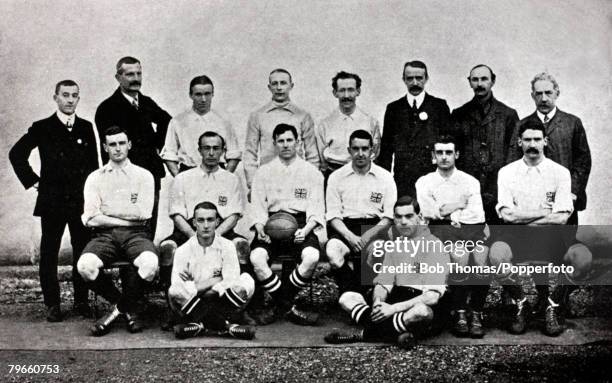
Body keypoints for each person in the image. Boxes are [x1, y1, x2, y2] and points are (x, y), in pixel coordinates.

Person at [490, 120, 591, 336]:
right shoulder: (507, 172)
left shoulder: (560, 173)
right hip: (518, 237)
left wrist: (523, 217)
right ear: (519, 142)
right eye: (527, 139)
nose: (532, 144)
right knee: (496, 253)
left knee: (583, 257)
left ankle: (552, 305)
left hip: (552, 237)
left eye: (537, 139)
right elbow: (507, 216)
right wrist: (544, 212)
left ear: (545, 141)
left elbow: (562, 218)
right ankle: (522, 303)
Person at [9, 80, 99, 322]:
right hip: (53, 201)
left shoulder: (86, 127)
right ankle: (52, 304)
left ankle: (81, 301)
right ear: (55, 98)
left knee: (83, 251)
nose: (70, 100)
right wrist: (35, 181)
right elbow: (16, 154)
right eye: (65, 95)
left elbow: (94, 168)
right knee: (50, 252)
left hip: (81, 202)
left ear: (79, 99)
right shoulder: (43, 127)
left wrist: (95, 198)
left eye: (75, 96)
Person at [325, 196, 450, 349]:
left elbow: (432, 297)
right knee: (347, 298)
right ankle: (398, 331)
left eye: (409, 216)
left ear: (420, 218)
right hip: (397, 299)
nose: (403, 222)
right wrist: (378, 303)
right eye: (398, 217)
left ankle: (365, 334)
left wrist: (392, 309)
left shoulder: (434, 247)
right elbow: (384, 282)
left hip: (422, 304)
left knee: (421, 312)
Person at [77, 126, 159, 336]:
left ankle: (116, 311)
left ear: (129, 145)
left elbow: (143, 213)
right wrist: (126, 218)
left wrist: (107, 211)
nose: (117, 148)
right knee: (85, 266)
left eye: (122, 143)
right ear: (105, 147)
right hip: (105, 236)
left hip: (137, 235)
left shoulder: (144, 176)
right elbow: (90, 218)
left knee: (150, 264)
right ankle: (128, 307)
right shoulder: (95, 177)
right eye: (112, 144)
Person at [249, 123, 325, 325]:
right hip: (271, 224)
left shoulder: (312, 172)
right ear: (274, 144)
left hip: (300, 224)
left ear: (298, 142)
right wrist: (259, 227)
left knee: (312, 256)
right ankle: (288, 306)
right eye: (280, 141)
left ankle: (280, 304)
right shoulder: (263, 172)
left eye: (289, 140)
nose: (285, 145)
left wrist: (306, 230)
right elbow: (257, 206)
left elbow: (317, 208)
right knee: (256, 258)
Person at [415, 135, 489, 338]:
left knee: (483, 254)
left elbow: (476, 214)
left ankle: (476, 311)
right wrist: (457, 205)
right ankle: (460, 311)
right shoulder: (425, 182)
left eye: (449, 152)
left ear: (456, 154)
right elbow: (429, 212)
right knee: (460, 254)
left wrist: (446, 211)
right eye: (440, 152)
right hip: (438, 230)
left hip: (469, 228)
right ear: (433, 156)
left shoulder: (470, 181)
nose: (444, 157)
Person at [159, 131, 249, 293]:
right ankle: (173, 302)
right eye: (206, 148)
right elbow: (177, 214)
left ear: (223, 151)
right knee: (167, 248)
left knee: (241, 246)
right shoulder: (183, 178)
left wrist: (215, 237)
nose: (211, 153)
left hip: (221, 230)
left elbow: (234, 215)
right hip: (188, 230)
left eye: (216, 148)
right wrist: (195, 237)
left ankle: (239, 305)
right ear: (199, 150)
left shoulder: (230, 179)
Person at [95, 56, 171, 238]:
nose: (136, 78)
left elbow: (166, 121)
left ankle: (146, 259)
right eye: (130, 74)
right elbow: (107, 145)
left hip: (150, 171)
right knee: (126, 221)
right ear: (118, 77)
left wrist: (157, 146)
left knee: (148, 219)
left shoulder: (146, 102)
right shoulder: (107, 108)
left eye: (138, 73)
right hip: (124, 174)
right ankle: (127, 265)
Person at [510, 72, 591, 225]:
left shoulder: (572, 123)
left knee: (563, 244)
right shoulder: (521, 125)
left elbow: (583, 161)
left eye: (548, 93)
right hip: (531, 201)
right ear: (533, 96)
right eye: (539, 94)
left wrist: (572, 193)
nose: (544, 98)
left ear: (557, 93)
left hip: (565, 198)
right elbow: (513, 163)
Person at [168, 202, 256, 340]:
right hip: (194, 301)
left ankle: (201, 325)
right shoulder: (182, 250)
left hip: (219, 300)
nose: (206, 225)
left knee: (246, 281)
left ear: (217, 222)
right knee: (175, 291)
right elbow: (178, 286)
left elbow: (231, 281)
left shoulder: (227, 246)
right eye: (201, 220)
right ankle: (225, 327)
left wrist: (199, 286)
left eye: (210, 220)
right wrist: (216, 279)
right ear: (194, 223)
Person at [326, 130, 397, 295]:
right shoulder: (336, 177)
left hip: (375, 226)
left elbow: (388, 216)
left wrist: (368, 235)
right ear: (349, 150)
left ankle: (366, 294)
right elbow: (333, 215)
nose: (360, 153)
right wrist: (350, 236)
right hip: (345, 227)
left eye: (365, 148)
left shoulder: (385, 177)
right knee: (333, 252)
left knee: (377, 252)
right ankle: (355, 293)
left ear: (372, 150)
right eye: (355, 148)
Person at [451, 64, 519, 224]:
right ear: (469, 82)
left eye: (484, 79)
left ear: (493, 81)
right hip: (469, 188)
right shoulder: (459, 114)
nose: (479, 84)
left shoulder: (508, 115)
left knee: (499, 237)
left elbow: (514, 153)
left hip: (498, 187)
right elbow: (454, 152)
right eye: (475, 79)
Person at [376, 60, 452, 197]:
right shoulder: (394, 109)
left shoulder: (439, 106)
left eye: (419, 78)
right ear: (403, 79)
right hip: (403, 178)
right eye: (410, 78)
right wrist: (384, 182)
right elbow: (386, 150)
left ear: (426, 79)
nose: (415, 83)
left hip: (432, 177)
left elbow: (448, 143)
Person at [243, 68, 319, 194]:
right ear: (269, 87)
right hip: (267, 181)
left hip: (297, 180)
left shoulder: (303, 116)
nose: (279, 88)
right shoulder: (257, 116)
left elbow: (312, 155)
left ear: (291, 86)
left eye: (283, 83)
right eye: (275, 83)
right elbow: (250, 154)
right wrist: (254, 185)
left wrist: (310, 182)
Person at [161, 75, 241, 176]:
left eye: (207, 94)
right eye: (198, 94)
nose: (203, 99)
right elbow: (169, 155)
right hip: (188, 173)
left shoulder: (223, 121)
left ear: (213, 94)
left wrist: (224, 179)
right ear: (191, 95)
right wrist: (179, 179)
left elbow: (234, 154)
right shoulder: (178, 122)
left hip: (216, 173)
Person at [316, 71, 381, 183]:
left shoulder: (371, 122)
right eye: (342, 90)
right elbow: (322, 159)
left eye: (350, 90)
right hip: (334, 176)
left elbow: (376, 152)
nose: (346, 95)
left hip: (364, 176)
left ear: (358, 91)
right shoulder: (325, 124)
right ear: (335, 93)